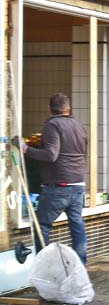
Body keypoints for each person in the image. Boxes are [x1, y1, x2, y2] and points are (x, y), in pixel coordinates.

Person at [12, 93, 88, 265]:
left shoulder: (53, 125)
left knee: (41, 226)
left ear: (50, 108)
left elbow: (50, 155)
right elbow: (83, 154)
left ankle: (46, 267)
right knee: (77, 226)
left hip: (59, 185)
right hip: (77, 183)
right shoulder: (78, 126)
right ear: (68, 109)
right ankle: (81, 266)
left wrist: (25, 148)